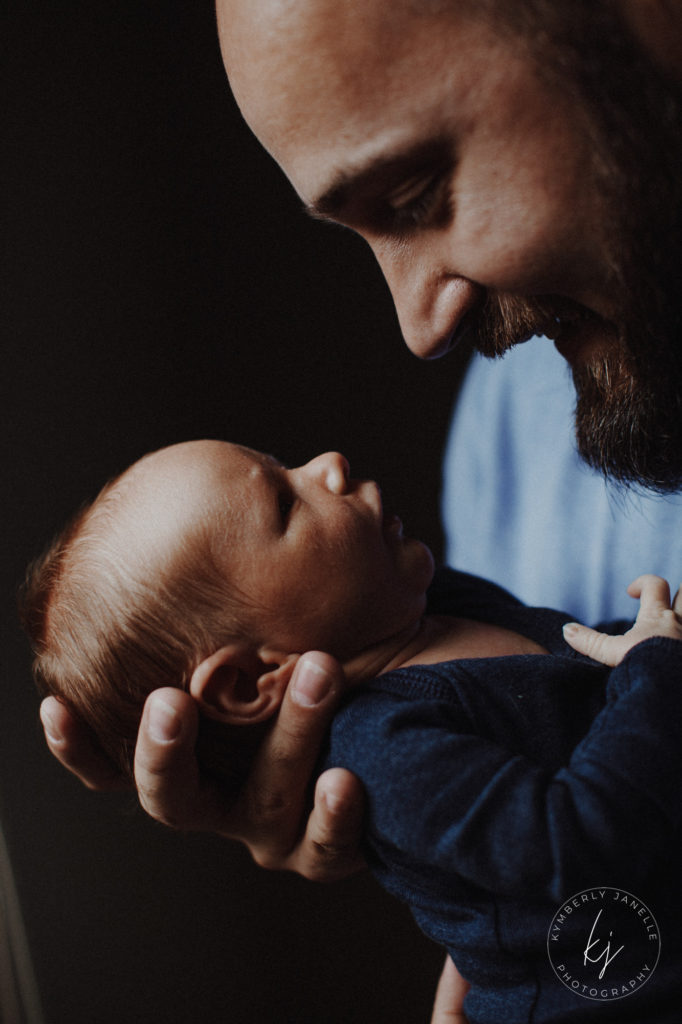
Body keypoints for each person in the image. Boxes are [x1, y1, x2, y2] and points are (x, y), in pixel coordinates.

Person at [39, 5, 682, 1013]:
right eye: (281, 502)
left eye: (422, 192)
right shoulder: (512, 429)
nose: (422, 327)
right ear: (255, 678)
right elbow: (563, 850)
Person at [22, 439, 682, 1022]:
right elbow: (579, 841)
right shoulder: (387, 753)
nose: (329, 466)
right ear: (252, 683)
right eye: (284, 502)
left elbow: (582, 691)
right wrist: (657, 660)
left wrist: (640, 646)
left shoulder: (427, 611)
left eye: (284, 464)